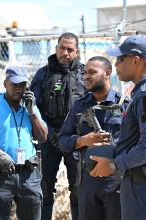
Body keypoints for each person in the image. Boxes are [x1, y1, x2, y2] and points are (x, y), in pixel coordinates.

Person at [90, 35, 146, 219]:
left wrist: (114, 165)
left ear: (136, 61)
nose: (116, 64)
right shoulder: (145, 90)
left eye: (120, 59)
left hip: (144, 183)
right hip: (139, 180)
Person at [0, 66, 48, 220]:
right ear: (5, 83)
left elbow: (42, 137)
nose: (19, 89)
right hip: (1, 173)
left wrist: (32, 111)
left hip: (29, 173)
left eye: (22, 85)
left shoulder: (30, 107)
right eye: (14, 85)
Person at [58, 56, 123, 219]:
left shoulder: (124, 105)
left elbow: (136, 142)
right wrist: (83, 141)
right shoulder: (79, 106)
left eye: (92, 72)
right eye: (85, 72)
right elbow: (62, 140)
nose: (86, 76)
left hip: (115, 180)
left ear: (107, 73)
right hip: (88, 181)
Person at [30, 32, 85, 220]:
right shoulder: (43, 74)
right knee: (42, 190)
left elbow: (92, 107)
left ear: (77, 52)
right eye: (62, 48)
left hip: (76, 140)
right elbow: (33, 108)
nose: (65, 53)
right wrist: (50, 133)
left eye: (70, 49)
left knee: (79, 190)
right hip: (48, 139)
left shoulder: (85, 74)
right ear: (56, 49)